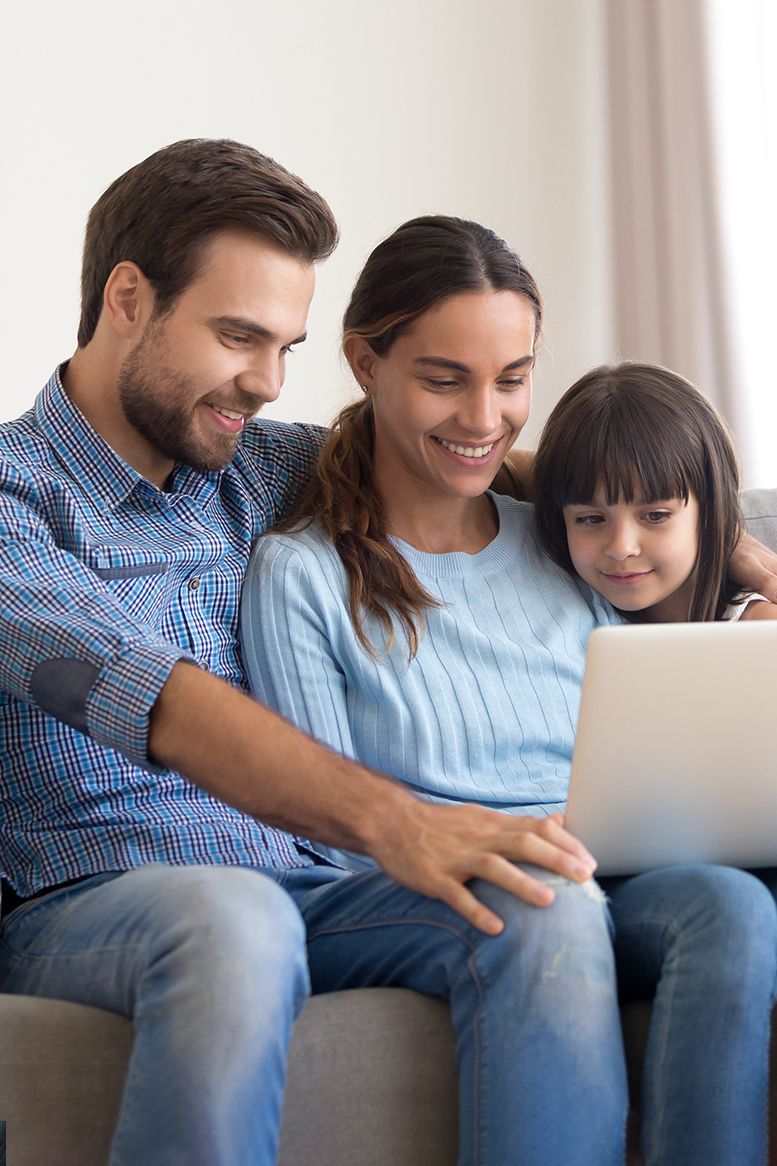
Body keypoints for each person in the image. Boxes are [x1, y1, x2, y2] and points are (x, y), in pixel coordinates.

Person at [0, 138, 646, 1166]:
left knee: (543, 899)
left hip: (307, 891)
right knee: (235, 917)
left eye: (287, 348)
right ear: (128, 297)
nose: (263, 381)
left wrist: (727, 540)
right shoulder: (12, 500)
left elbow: (469, 452)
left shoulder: (253, 460)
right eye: (238, 335)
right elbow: (155, 696)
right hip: (91, 904)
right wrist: (406, 822)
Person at [241, 215, 777, 1166]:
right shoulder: (303, 574)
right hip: (439, 884)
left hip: (600, 865)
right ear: (365, 364)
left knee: (730, 907)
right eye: (444, 380)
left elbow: (652, 705)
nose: (484, 418)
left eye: (513, 379)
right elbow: (319, 831)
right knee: (551, 899)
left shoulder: (562, 540)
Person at [532, 360, 777, 623]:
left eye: (656, 516)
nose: (621, 548)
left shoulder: (760, 628)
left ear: (709, 510)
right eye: (591, 519)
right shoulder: (571, 618)